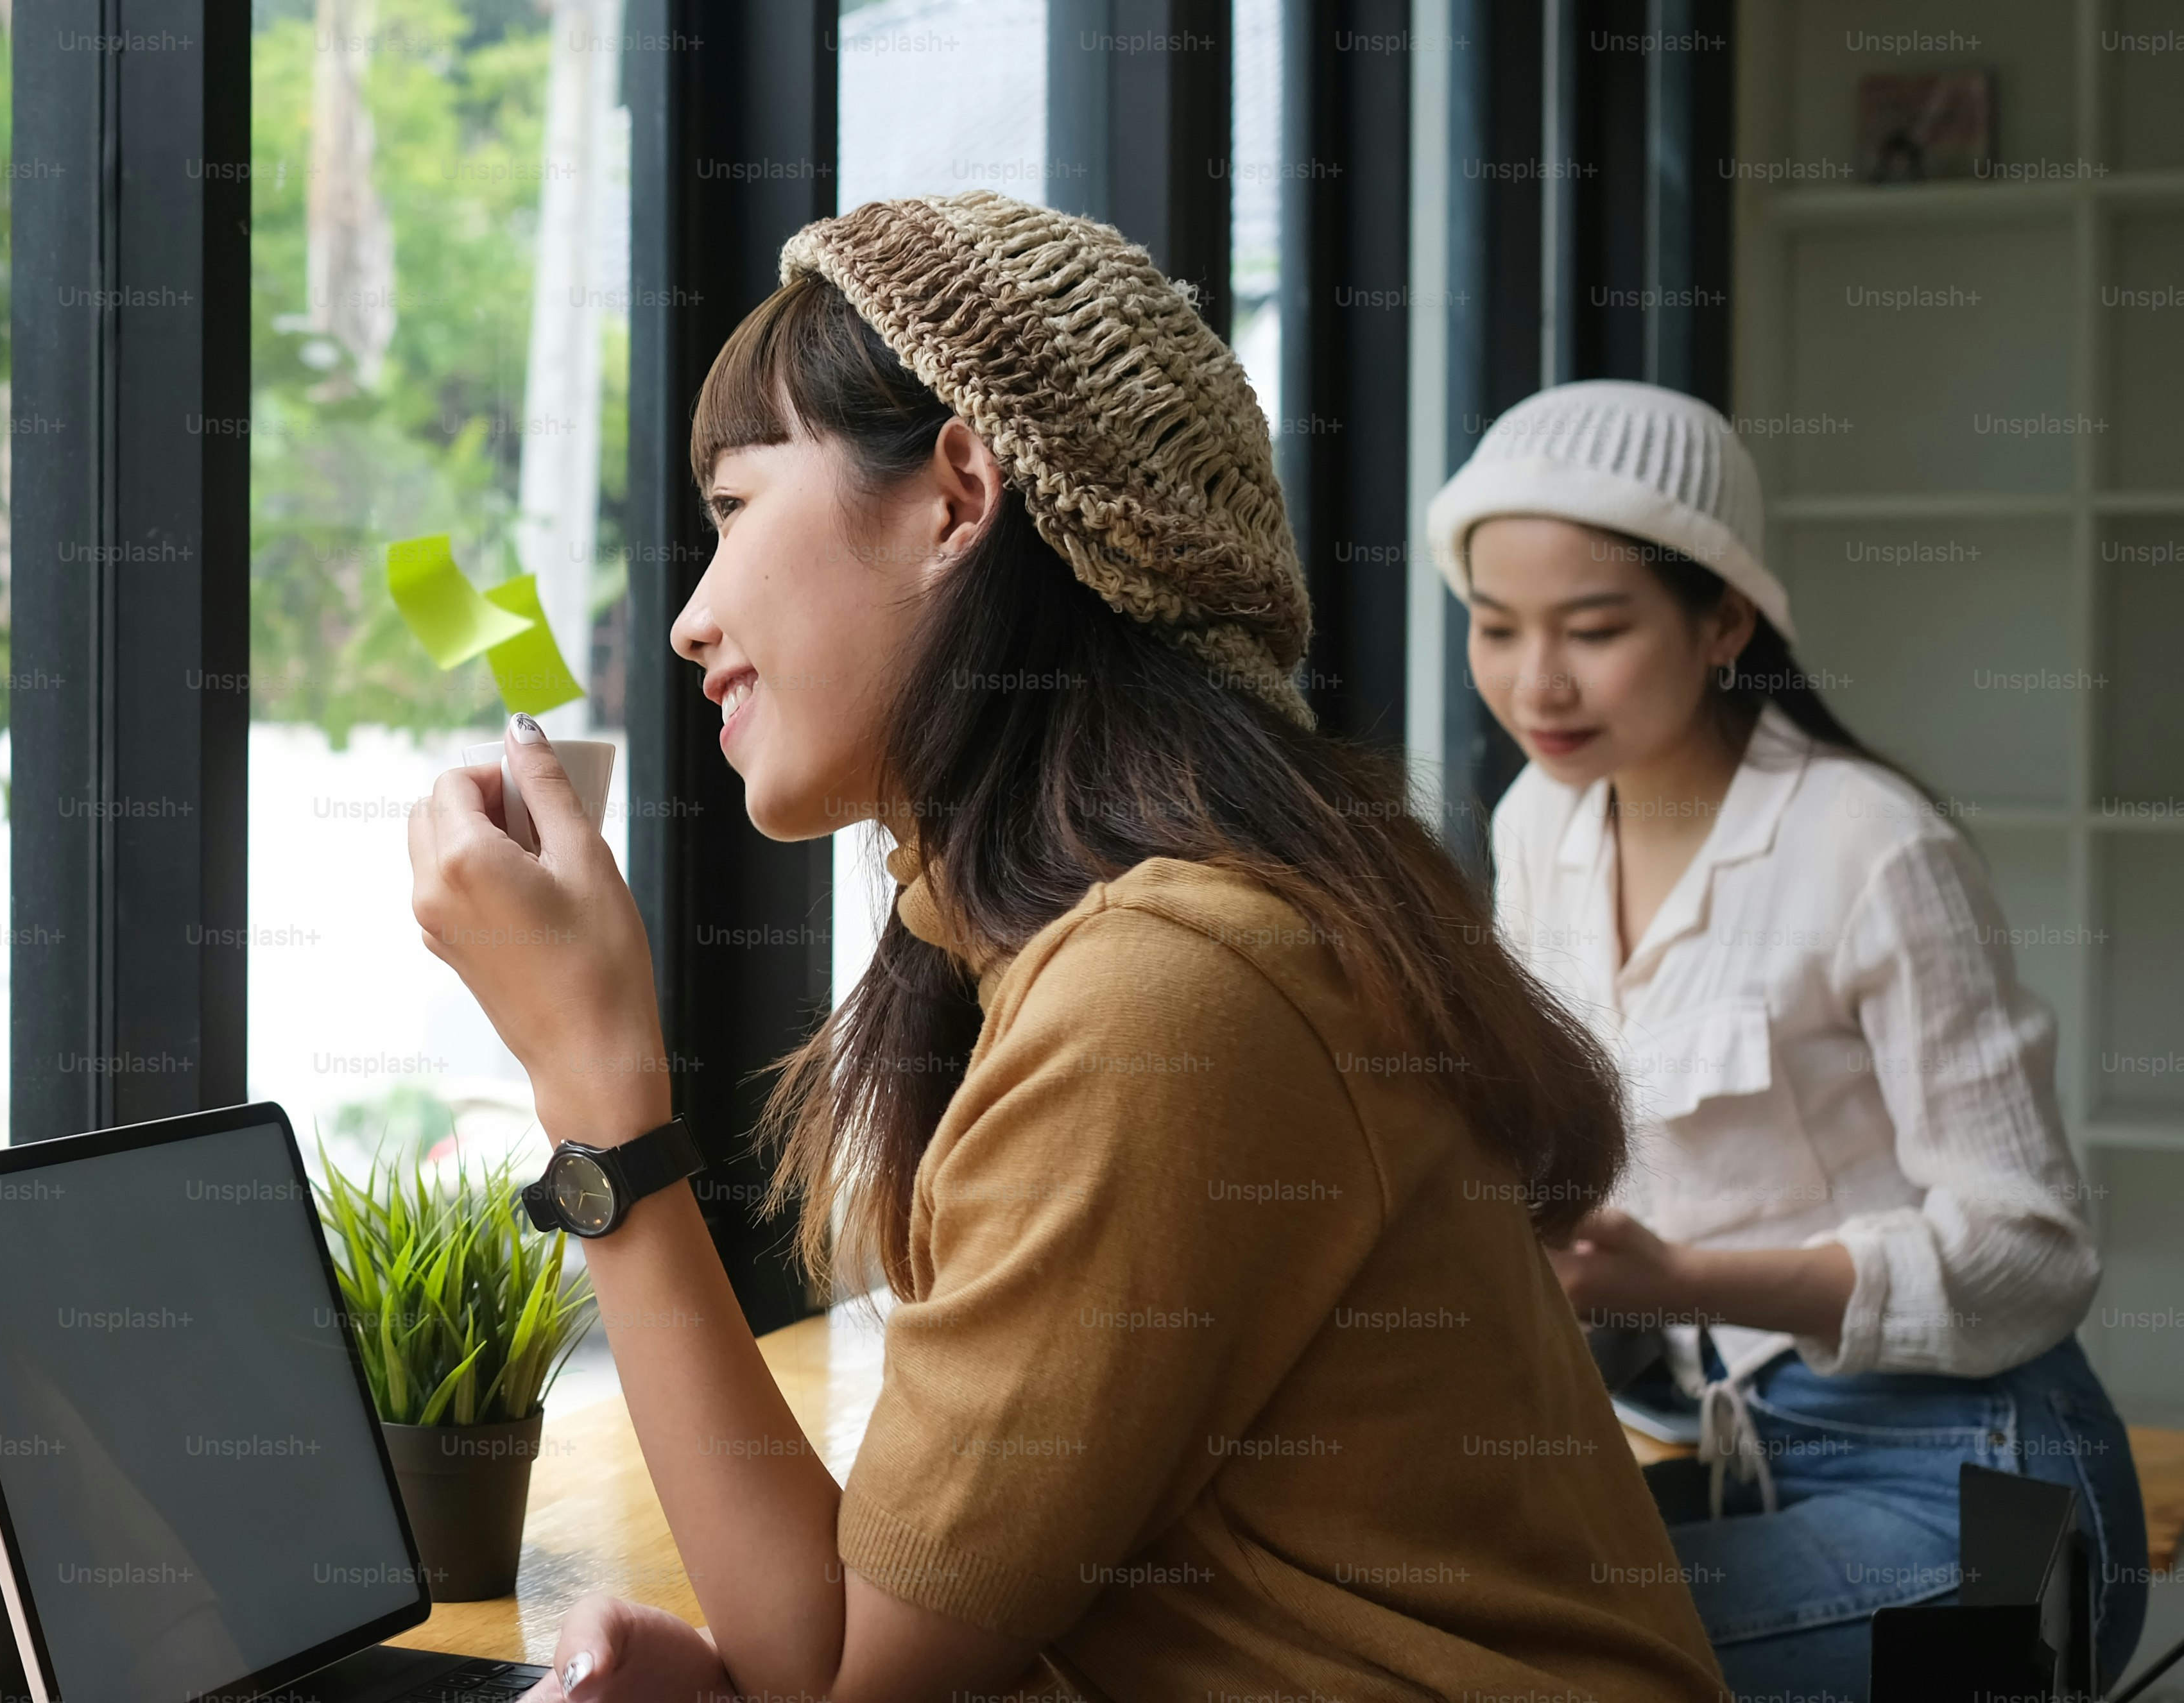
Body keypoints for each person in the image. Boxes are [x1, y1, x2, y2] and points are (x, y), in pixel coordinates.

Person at [401, 191, 1724, 1702]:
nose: (696, 618)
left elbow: (847, 1677)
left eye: (739, 510)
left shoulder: (1169, 989)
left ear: (959, 494)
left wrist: (592, 1077)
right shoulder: (1094, 947)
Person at [1432, 378, 2145, 1695]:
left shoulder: (1867, 848)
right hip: (1744, 1451)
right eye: (1494, 625)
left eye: (1593, 629)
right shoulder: (1542, 817)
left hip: (1988, 1492)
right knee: (1424, 1594)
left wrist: (1687, 1277)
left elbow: (2034, 1250)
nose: (1536, 680)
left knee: (1526, 1656)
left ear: (1725, 619)